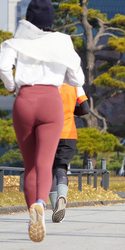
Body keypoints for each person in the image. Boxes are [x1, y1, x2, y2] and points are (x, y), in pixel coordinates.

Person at [0, 0, 85, 242]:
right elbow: (78, 80)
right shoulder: (63, 41)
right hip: (51, 101)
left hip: (25, 100)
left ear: (29, 19)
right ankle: (40, 204)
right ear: (51, 20)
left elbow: (3, 65)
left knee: (30, 165)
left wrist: (12, 85)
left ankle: (31, 212)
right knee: (46, 163)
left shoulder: (16, 41)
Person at [49, 83, 89, 223]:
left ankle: (55, 207)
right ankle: (62, 197)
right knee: (61, 169)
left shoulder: (47, 82)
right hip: (68, 134)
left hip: (48, 133)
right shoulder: (74, 84)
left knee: (49, 171)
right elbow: (85, 108)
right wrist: (71, 110)